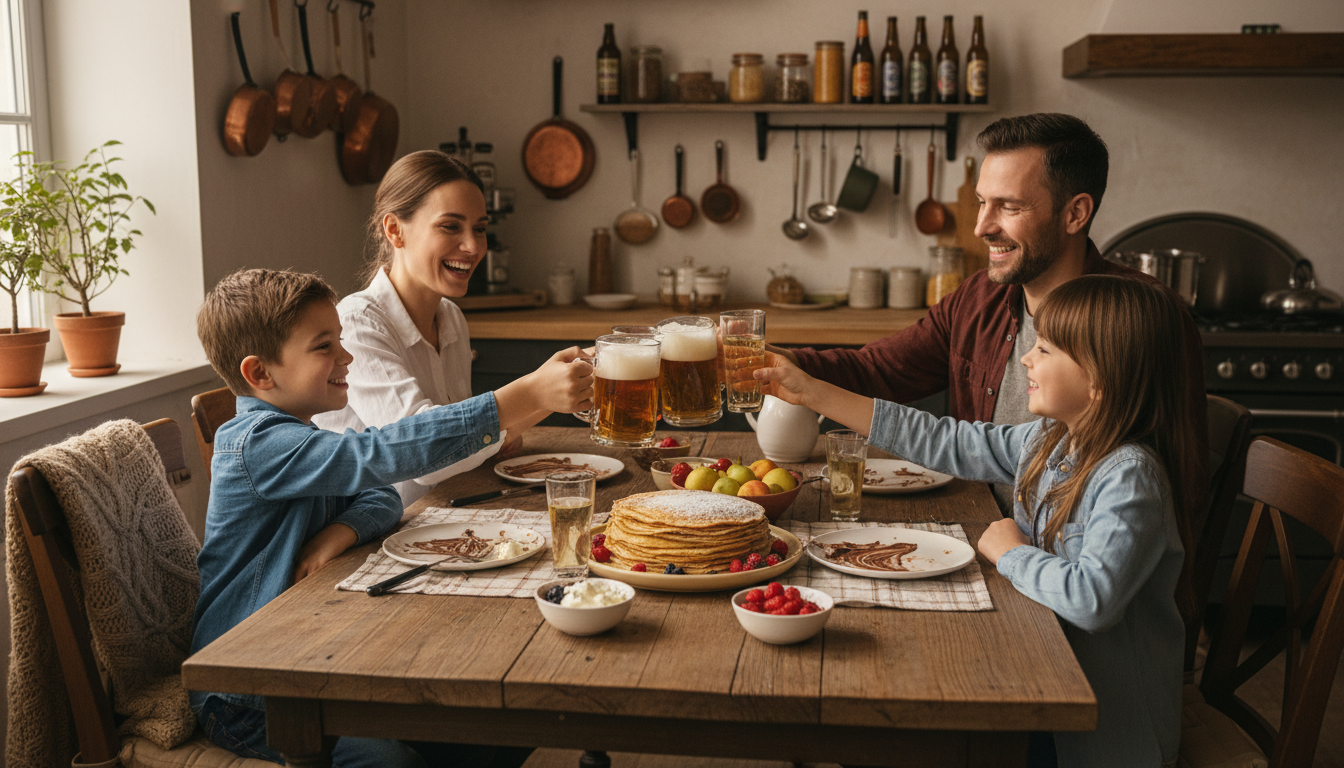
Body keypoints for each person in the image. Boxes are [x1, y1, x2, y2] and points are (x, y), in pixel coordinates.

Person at [759, 275, 1193, 768]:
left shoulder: (1131, 477)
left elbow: (1092, 601)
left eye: (1045, 349)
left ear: (1099, 379)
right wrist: (812, 392)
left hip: (1100, 741)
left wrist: (1011, 552)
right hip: (1039, 682)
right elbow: (947, 440)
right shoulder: (1049, 439)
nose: (1026, 359)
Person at [190, 268, 589, 767]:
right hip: (246, 691)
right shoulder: (258, 444)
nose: (346, 356)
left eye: (340, 339)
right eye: (324, 346)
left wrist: (339, 532)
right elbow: (381, 455)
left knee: (492, 727)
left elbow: (380, 493)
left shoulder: (304, 434)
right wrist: (519, 398)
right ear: (260, 374)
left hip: (306, 652)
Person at [764, 113, 1208, 518]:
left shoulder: (1141, 319)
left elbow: (1175, 489)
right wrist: (778, 364)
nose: (981, 227)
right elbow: (879, 370)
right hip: (985, 527)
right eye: (982, 202)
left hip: (1066, 563)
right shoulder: (980, 297)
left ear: (1075, 213)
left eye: (1009, 207)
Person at [314, 151, 551, 505]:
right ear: (395, 230)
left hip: (441, 511)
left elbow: (458, 444)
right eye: (450, 226)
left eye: (480, 229)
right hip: (374, 529)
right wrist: (534, 392)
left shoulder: (450, 316)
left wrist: (546, 399)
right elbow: (423, 458)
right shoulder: (356, 323)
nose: (472, 246)